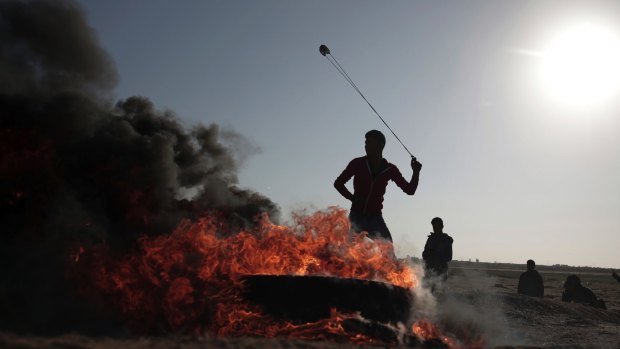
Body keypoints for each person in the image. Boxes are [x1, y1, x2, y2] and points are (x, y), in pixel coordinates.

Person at [334, 130, 422, 241]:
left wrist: (416, 172)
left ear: (380, 145)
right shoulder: (357, 163)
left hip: (375, 218)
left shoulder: (390, 169)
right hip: (357, 216)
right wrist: (352, 198)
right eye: (365, 143)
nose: (366, 146)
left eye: (369, 143)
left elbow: (410, 190)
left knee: (388, 251)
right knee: (349, 252)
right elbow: (338, 183)